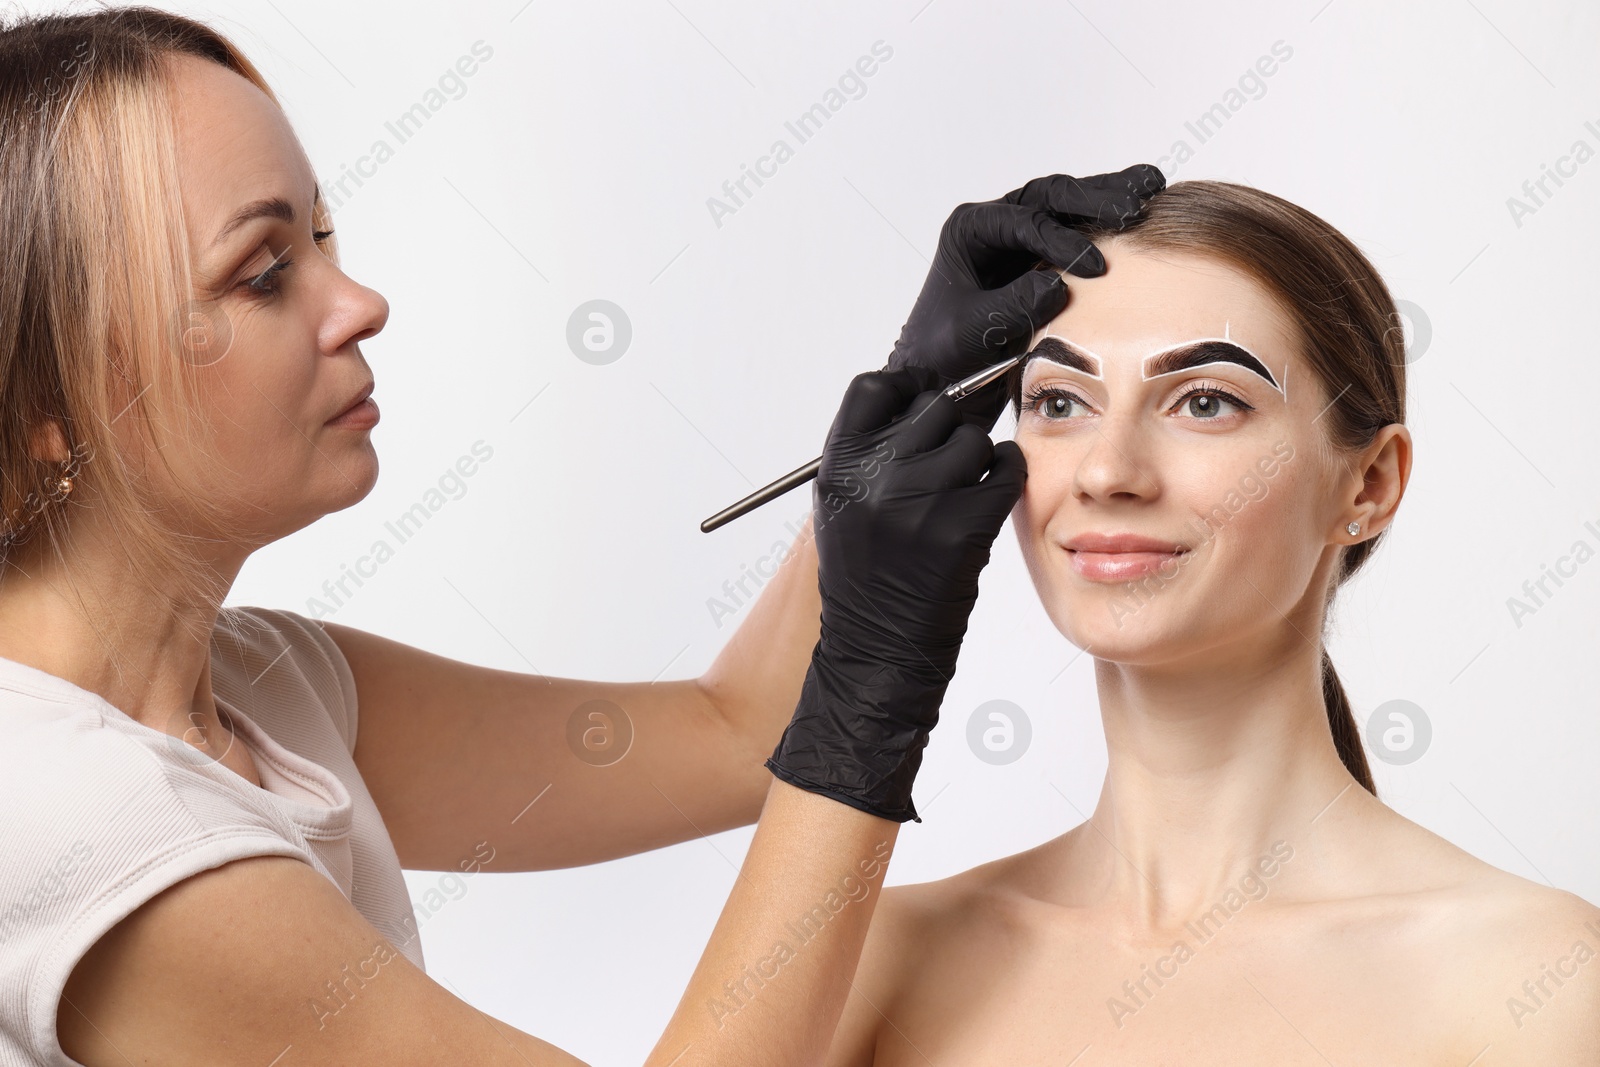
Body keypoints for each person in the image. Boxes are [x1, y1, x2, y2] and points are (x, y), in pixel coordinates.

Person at [0, 6, 1162, 1064]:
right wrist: (873, 687)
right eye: (261, 273)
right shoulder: (75, 821)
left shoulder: (267, 689)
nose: (357, 302)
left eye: (320, 234)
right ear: (48, 412)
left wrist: (924, 379)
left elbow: (734, 732)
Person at [825, 180, 1600, 1064]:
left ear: (1369, 484)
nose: (1108, 471)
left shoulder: (1540, 983)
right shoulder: (879, 958)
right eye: (1059, 401)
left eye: (1205, 402)